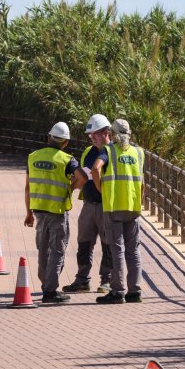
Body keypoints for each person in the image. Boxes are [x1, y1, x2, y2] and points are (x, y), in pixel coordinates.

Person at [25, 121, 88, 303]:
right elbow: (83, 177)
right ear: (65, 143)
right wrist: (70, 188)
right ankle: (50, 291)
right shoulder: (67, 159)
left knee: (43, 248)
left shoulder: (33, 156)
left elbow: (28, 187)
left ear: (48, 138)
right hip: (58, 211)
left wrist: (28, 213)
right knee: (57, 250)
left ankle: (46, 283)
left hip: (38, 211)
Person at [97, 118, 146, 304]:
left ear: (112, 134)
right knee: (133, 250)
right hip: (133, 207)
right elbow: (142, 183)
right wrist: (139, 201)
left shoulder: (108, 151)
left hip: (114, 206)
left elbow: (95, 169)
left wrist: (101, 188)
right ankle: (135, 291)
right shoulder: (138, 153)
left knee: (117, 249)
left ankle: (118, 292)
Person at [62, 114, 113, 294]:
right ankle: (82, 280)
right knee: (84, 242)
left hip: (107, 206)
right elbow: (83, 176)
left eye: (96, 134)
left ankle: (107, 280)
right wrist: (69, 189)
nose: (93, 137)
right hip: (89, 204)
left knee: (108, 244)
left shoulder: (112, 152)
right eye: (90, 135)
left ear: (107, 132)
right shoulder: (88, 152)